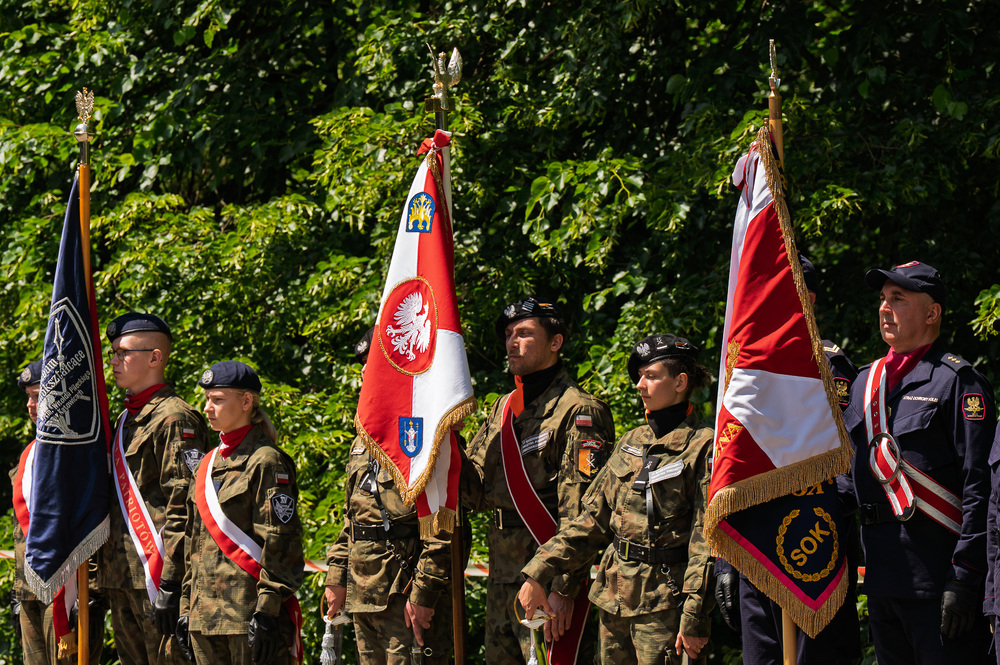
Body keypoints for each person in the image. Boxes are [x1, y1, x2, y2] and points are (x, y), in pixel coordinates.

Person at [517, 334, 715, 664]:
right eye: (639, 377)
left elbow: (705, 543)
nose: (640, 386)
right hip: (614, 598)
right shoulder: (631, 441)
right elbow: (591, 520)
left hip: (666, 606)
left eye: (651, 376)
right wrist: (538, 570)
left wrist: (695, 616)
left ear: (680, 381)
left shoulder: (704, 447)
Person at [842, 261, 994, 664]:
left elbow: (979, 488)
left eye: (898, 299)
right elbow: (847, 479)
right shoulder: (863, 383)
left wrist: (965, 576)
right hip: (881, 577)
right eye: (882, 299)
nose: (884, 309)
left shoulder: (958, 383)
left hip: (939, 579)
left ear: (931, 313)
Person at [714, 255, 862, 664]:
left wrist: (815, 527)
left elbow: (847, 467)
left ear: (806, 299)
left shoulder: (828, 366)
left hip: (812, 548)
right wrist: (726, 560)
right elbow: (730, 469)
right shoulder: (747, 372)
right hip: (754, 551)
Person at [464, 297, 615, 664]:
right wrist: (447, 439)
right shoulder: (502, 410)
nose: (512, 341)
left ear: (555, 342)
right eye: (509, 334)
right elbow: (474, 495)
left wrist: (564, 587)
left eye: (525, 333)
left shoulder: (578, 411)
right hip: (502, 576)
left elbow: (583, 512)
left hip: (549, 578)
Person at [324, 327, 455, 664]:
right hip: (362, 593)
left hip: (404, 595)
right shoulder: (363, 438)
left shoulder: (422, 433)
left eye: (374, 362)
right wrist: (336, 578)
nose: (366, 371)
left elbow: (441, 526)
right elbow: (351, 520)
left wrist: (424, 593)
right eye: (364, 365)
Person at [99, 312, 210, 665]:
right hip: (122, 575)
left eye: (122, 352)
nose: (113, 361)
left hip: (157, 574)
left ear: (155, 358)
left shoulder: (175, 418)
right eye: (113, 353)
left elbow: (184, 504)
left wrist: (172, 580)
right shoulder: (125, 419)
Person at [176, 360, 304, 664]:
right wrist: (185, 609)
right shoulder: (207, 464)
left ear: (246, 402)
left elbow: (279, 542)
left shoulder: (266, 461)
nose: (208, 408)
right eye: (207, 399)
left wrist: (267, 612)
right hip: (203, 618)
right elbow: (192, 544)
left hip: (247, 617)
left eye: (218, 399)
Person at [12, 360, 106, 665]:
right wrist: (20, 592)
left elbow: (93, 520)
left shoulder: (81, 453)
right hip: (31, 589)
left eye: (38, 396)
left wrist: (89, 590)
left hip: (69, 591)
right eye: (28, 397)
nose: (30, 405)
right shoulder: (30, 453)